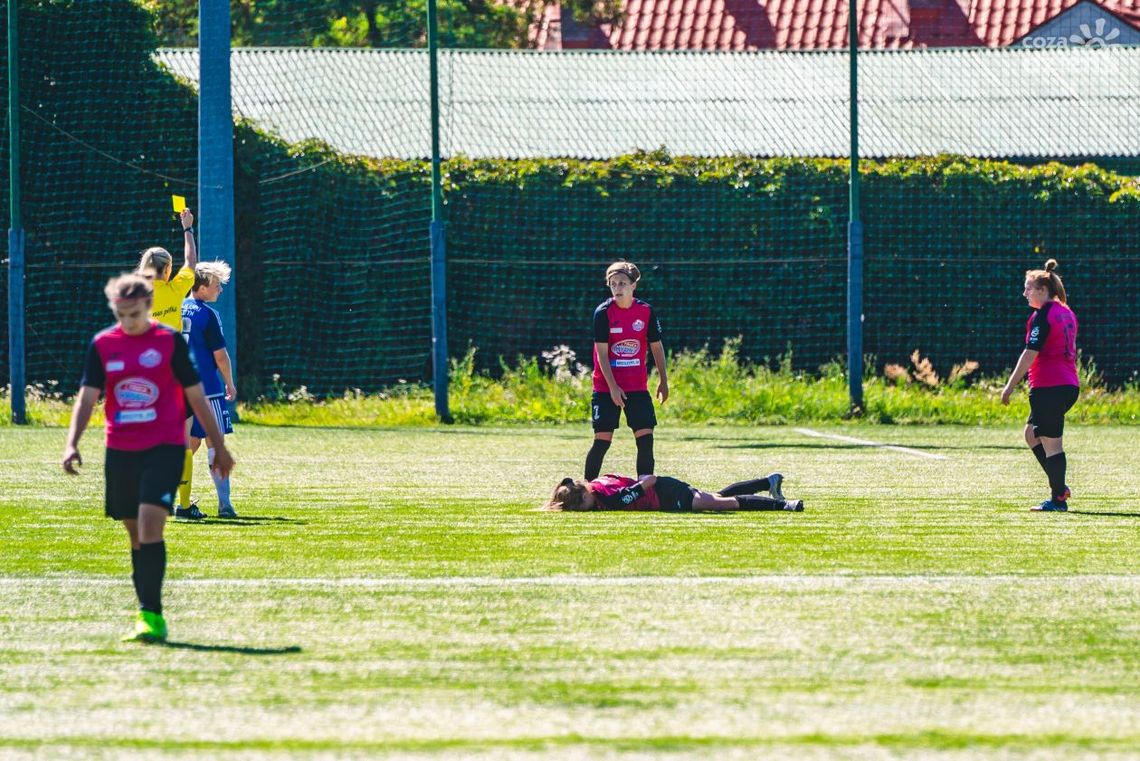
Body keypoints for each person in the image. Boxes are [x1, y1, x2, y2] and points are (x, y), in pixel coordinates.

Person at [62, 273, 234, 643]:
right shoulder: (103, 345)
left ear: (148, 306)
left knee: (150, 526)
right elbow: (87, 397)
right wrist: (71, 443)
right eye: (122, 314)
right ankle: (147, 609)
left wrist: (219, 446)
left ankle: (151, 615)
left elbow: (195, 395)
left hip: (163, 448)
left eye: (135, 314)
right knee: (135, 533)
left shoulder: (169, 342)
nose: (129, 321)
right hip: (121, 451)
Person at [137, 209, 202, 518]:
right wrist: (188, 229)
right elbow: (192, 264)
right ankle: (184, 505)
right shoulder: (174, 290)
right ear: (166, 270)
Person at [1000, 259, 1079, 512]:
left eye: (1028, 288)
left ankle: (1058, 499)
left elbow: (1030, 353)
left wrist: (1009, 386)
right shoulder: (1066, 312)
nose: (1024, 293)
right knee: (1031, 434)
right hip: (1067, 385)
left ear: (1043, 290)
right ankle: (1059, 485)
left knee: (1052, 443)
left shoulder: (1043, 315)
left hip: (1049, 387)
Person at [585, 261, 668, 481]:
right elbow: (601, 354)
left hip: (636, 387)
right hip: (605, 387)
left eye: (622, 283)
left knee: (645, 439)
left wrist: (663, 380)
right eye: (613, 284)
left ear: (633, 285)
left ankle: (645, 488)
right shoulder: (603, 313)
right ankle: (585, 490)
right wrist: (613, 387)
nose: (617, 288)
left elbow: (656, 347)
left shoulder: (646, 311)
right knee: (602, 441)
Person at [179, 261, 238, 518]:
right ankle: (225, 505)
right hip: (207, 389)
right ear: (202, 288)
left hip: (180, 388)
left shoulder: (176, 306)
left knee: (189, 444)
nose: (220, 290)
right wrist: (230, 382)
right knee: (215, 443)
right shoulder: (208, 314)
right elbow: (220, 356)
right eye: (216, 286)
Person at [545, 472, 802, 512]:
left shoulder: (606, 498)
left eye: (581, 507)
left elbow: (647, 482)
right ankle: (767, 482)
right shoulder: (597, 483)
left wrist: (642, 485)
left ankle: (784, 505)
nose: (585, 510)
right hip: (666, 491)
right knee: (717, 498)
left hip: (666, 494)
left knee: (724, 504)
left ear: (584, 495)